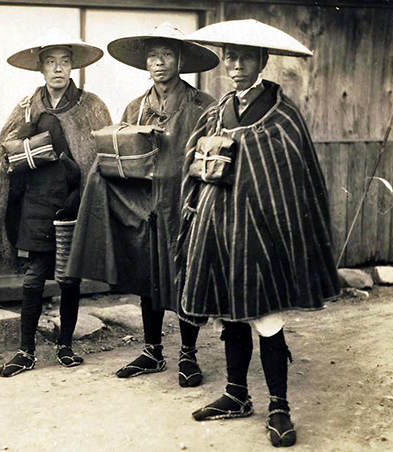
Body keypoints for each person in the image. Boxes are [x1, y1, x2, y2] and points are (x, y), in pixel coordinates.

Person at [178, 20, 341, 447]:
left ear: (263, 61)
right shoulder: (217, 112)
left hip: (261, 234)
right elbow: (195, 163)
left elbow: (294, 180)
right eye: (230, 57)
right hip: (218, 229)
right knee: (230, 314)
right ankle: (236, 394)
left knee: (266, 317)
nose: (236, 66)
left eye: (246, 58)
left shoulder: (282, 116)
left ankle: (279, 407)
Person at [66, 23, 217, 385]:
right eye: (152, 55)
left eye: (166, 54)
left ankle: (188, 354)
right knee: (148, 277)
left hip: (185, 207)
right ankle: (152, 351)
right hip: (144, 208)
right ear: (146, 63)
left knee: (184, 277)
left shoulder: (203, 106)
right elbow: (119, 154)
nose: (158, 62)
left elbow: (211, 159)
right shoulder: (136, 108)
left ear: (181, 61)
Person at [0, 28, 112, 377]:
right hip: (36, 204)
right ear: (41, 68)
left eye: (65, 62)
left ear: (72, 67)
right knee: (34, 277)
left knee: (69, 277)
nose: (58, 68)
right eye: (51, 62)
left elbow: (103, 156)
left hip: (74, 202)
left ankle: (65, 346)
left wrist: (84, 191)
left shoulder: (92, 106)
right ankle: (25, 351)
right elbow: (3, 154)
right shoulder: (27, 107)